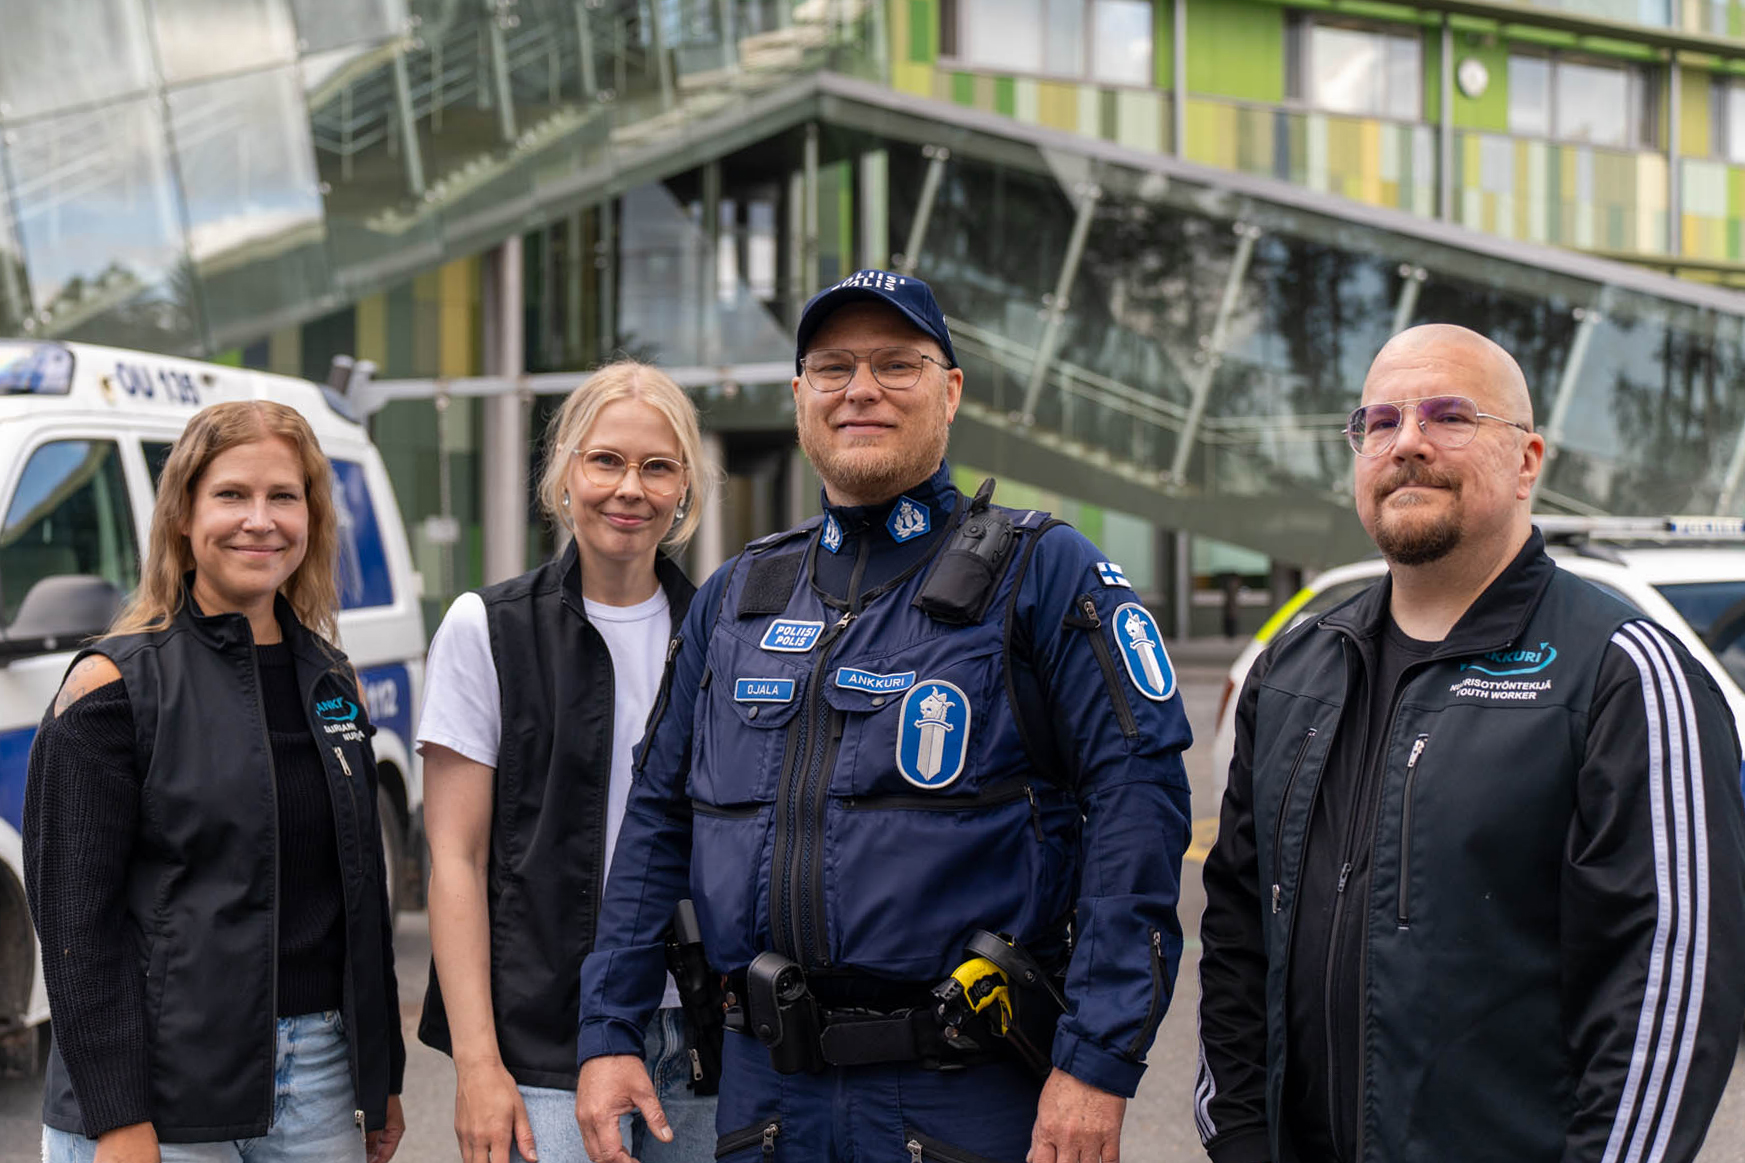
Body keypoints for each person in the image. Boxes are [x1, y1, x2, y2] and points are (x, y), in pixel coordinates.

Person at [573, 270, 1194, 1163]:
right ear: (799, 398)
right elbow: (656, 821)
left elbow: (1138, 811)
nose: (860, 388)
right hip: (768, 1100)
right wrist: (609, 1028)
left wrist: (1097, 1061)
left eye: (896, 364)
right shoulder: (738, 595)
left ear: (949, 392)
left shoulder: (1044, 573)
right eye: (832, 367)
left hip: (963, 1094)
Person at [1196, 324, 1745, 1163]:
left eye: (1449, 415)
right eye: (1378, 422)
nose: (1406, 442)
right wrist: (1235, 1136)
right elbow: (1237, 937)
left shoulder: (1620, 672)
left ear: (1526, 460)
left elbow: (1670, 992)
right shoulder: (1295, 671)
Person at [25, 400, 406, 1163]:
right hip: (159, 1098)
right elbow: (76, 928)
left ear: (312, 517)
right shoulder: (112, 686)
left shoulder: (332, 682)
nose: (259, 520)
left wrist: (380, 1072)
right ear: (183, 516)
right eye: (232, 494)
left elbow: (355, 899)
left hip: (319, 1086)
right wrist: (117, 1117)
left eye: (283, 496)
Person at [416, 361, 717, 1163]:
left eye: (657, 467)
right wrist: (478, 1063)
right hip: (540, 1037)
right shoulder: (486, 629)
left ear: (683, 487)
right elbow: (455, 856)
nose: (630, 487)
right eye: (606, 460)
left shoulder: (723, 635)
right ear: (564, 476)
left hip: (697, 1028)